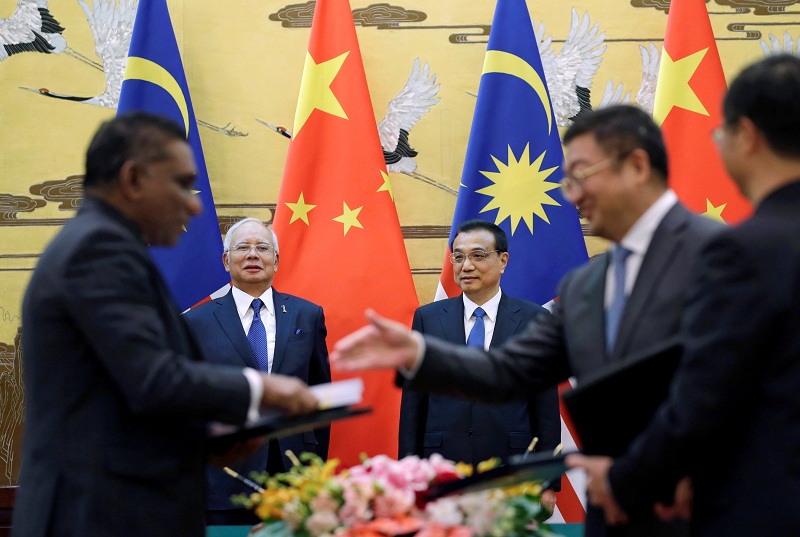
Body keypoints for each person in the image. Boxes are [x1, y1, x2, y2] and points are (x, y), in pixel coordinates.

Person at [332, 105, 723, 537]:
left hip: (709, 507)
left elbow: (740, 387)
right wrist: (421, 353)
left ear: (636, 166)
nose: (571, 196)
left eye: (580, 174)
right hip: (614, 513)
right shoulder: (584, 286)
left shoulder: (723, 256)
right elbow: (511, 371)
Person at [12, 112, 319, 537]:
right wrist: (260, 390)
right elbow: (153, 380)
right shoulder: (98, 251)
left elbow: (124, 395)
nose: (194, 204)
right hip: (98, 515)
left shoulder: (105, 246)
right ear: (134, 178)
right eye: (180, 183)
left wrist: (210, 434)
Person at [568, 54, 800, 536]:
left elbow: (704, 397)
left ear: (748, 137)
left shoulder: (742, 250)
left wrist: (625, 479)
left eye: (720, 133)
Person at [399, 219, 561, 509]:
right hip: (441, 467)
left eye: (477, 255)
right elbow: (414, 405)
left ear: (502, 260)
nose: (466, 266)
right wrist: (408, 476)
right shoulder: (429, 318)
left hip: (511, 467)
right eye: (458, 257)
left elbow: (545, 407)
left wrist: (547, 481)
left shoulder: (533, 319)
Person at [184, 217, 331, 525]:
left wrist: (313, 464)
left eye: (263, 248)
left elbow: (319, 397)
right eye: (243, 248)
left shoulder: (307, 315)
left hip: (294, 474)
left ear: (276, 260)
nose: (253, 255)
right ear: (226, 260)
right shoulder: (196, 323)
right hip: (223, 476)